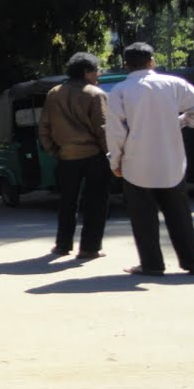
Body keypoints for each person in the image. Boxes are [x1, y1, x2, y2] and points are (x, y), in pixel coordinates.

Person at [106, 42, 194, 276]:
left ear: (126, 65)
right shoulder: (173, 84)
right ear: (152, 61)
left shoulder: (119, 91)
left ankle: (152, 265)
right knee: (180, 215)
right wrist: (182, 121)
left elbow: (115, 132)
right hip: (172, 163)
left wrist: (115, 162)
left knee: (143, 219)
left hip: (135, 164)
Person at [37, 52, 111, 259]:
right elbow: (103, 129)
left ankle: (62, 245)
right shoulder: (95, 94)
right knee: (96, 202)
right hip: (94, 156)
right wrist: (111, 155)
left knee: (67, 202)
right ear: (87, 72)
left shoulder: (54, 93)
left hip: (66, 156)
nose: (99, 75)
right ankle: (89, 248)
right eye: (97, 71)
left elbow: (44, 127)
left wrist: (53, 150)